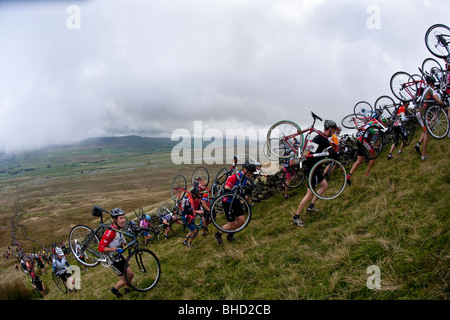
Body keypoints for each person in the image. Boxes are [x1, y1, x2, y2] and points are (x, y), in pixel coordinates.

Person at [292, 120, 339, 227]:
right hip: (313, 169)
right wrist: (337, 153)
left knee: (324, 186)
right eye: (334, 130)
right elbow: (333, 155)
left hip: (314, 167)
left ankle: (311, 206)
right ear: (330, 129)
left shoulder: (318, 137)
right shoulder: (324, 139)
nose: (334, 132)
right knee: (309, 194)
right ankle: (296, 217)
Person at [98, 208, 134, 298]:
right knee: (126, 279)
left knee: (131, 275)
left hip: (118, 256)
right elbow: (100, 248)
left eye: (123, 218)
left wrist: (128, 246)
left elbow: (123, 241)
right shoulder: (110, 232)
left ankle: (127, 289)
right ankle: (115, 289)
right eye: (121, 218)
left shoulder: (119, 230)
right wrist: (115, 249)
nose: (123, 220)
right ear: (115, 220)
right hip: (112, 259)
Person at [346, 116, 387, 185]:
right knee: (374, 155)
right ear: (382, 122)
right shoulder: (376, 123)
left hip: (359, 140)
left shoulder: (371, 122)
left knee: (359, 160)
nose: (384, 126)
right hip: (363, 140)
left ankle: (349, 176)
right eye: (385, 124)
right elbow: (370, 129)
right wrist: (375, 133)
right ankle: (367, 173)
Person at [413, 75, 446, 160]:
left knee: (426, 131)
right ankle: (423, 155)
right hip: (422, 112)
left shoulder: (425, 89)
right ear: (431, 83)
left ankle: (420, 148)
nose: (434, 85)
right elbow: (438, 100)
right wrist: (443, 104)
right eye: (433, 84)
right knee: (427, 133)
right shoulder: (430, 90)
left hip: (419, 112)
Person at [181, 184, 204, 248]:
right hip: (186, 217)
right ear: (195, 191)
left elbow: (198, 208)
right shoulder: (188, 199)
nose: (201, 192)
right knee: (195, 232)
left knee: (191, 231)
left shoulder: (198, 198)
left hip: (191, 217)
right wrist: (195, 211)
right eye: (199, 191)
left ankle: (185, 242)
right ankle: (189, 243)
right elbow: (185, 211)